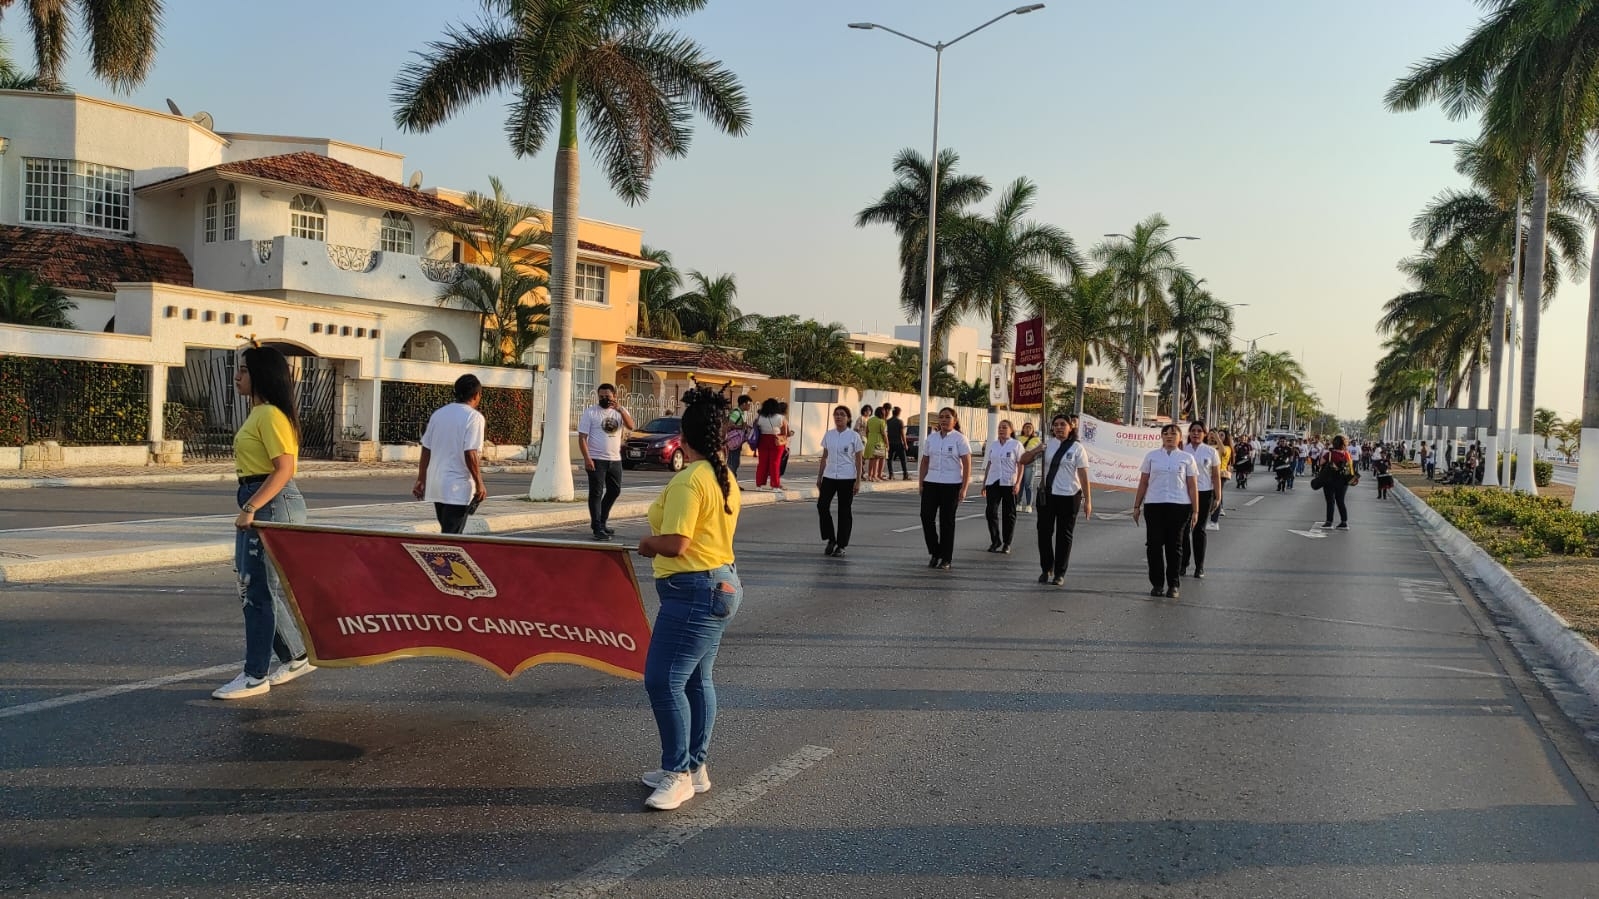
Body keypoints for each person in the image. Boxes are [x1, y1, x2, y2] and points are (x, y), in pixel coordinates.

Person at [637, 387, 743, 811]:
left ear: (684, 435)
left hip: (694, 592)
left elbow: (677, 543)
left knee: (663, 681)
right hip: (719, 585)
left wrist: (647, 543)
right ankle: (694, 768)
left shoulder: (688, 479)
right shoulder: (723, 475)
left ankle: (677, 773)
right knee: (698, 681)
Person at [213, 344, 312, 700]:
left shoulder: (269, 414)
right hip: (262, 500)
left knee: (255, 591)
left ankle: (255, 675)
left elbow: (284, 469)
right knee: (253, 587)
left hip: (271, 503)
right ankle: (297, 655)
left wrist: (252, 506)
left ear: (261, 375)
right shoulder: (260, 414)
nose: (237, 376)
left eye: (243, 370)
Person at [1020, 413, 1092, 586]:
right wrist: (1037, 450)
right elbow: (1023, 460)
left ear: (1070, 427)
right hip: (1047, 496)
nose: (1059, 427)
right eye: (1056, 425)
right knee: (1044, 533)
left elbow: (1083, 475)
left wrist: (1088, 500)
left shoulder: (1076, 448)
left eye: (1063, 424)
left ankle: (1060, 572)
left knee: (1064, 535)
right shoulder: (1046, 445)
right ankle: (1046, 568)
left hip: (1069, 496)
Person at [412, 374, 488, 535]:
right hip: (457, 487)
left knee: (448, 532)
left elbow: (426, 448)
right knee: (451, 537)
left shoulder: (439, 414)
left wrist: (421, 479)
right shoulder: (474, 417)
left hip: (436, 485)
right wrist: (479, 483)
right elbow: (470, 452)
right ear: (476, 395)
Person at [1132, 424, 1199, 599]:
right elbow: (1144, 482)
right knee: (1154, 545)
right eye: (1166, 434)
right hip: (1155, 504)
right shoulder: (1152, 457)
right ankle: (1157, 583)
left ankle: (1173, 584)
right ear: (1161, 437)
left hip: (1179, 506)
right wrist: (1136, 506)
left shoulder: (1187, 458)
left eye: (1173, 433)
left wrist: (1196, 510)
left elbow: (1192, 486)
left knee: (1174, 546)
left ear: (1179, 437)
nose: (1169, 436)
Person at [577, 384, 635, 541]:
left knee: (614, 491)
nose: (604, 399)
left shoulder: (620, 412)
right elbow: (582, 437)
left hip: (615, 459)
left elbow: (631, 426)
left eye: (607, 396)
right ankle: (597, 527)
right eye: (601, 396)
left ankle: (602, 521)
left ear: (614, 396)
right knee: (596, 493)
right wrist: (587, 458)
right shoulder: (591, 413)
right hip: (596, 459)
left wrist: (620, 410)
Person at [918, 407, 971, 571]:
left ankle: (946, 558)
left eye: (947, 417)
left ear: (954, 420)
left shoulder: (959, 439)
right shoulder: (931, 439)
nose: (943, 420)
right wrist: (921, 483)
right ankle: (935, 551)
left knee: (947, 522)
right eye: (941, 417)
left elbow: (967, 464)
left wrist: (964, 488)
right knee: (926, 517)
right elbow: (925, 462)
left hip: (952, 484)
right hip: (932, 482)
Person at [816, 405, 864, 557]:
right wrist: (819, 476)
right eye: (836, 415)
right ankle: (831, 538)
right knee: (822, 505)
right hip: (830, 476)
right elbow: (824, 457)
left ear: (848, 418)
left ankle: (841, 545)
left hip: (847, 477)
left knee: (844, 510)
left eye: (842, 415)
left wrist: (858, 481)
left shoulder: (853, 436)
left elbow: (858, 459)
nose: (838, 417)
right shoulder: (829, 435)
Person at [1181, 422, 1222, 579]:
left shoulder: (1211, 452)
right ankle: (1183, 564)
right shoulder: (1183, 450)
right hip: (1184, 494)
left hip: (1204, 494)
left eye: (1199, 431)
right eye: (1193, 431)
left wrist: (1218, 497)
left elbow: (1216, 476)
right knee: (1183, 531)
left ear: (1205, 434)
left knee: (1199, 530)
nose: (1196, 433)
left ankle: (1199, 566)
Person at [980, 420, 1023, 554]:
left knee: (1008, 514)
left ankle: (1006, 542)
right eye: (999, 427)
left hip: (1009, 482)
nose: (1001, 430)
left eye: (1004, 427)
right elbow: (989, 464)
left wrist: (1018, 483)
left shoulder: (1016, 445)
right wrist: (984, 483)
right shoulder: (993, 445)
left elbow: (1021, 464)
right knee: (990, 512)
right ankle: (995, 540)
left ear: (1011, 430)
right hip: (993, 481)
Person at [1318, 434, 1357, 529]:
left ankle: (1329, 521)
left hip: (1330, 480)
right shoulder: (1347, 454)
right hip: (1343, 481)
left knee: (1330, 501)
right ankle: (1344, 522)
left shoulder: (1330, 454)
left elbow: (1321, 462)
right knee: (1341, 501)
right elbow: (1350, 467)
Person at [754, 398, 787, 489]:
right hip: (776, 441)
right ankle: (775, 485)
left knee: (762, 463)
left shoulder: (759, 417)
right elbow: (785, 433)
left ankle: (759, 485)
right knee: (775, 464)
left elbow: (755, 428)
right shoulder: (781, 418)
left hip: (763, 441)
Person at [724, 394, 755, 479]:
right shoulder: (736, 413)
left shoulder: (740, 413)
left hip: (737, 441)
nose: (749, 406)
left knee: (735, 461)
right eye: (748, 404)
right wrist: (742, 427)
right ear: (743, 404)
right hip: (734, 441)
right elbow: (730, 425)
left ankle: (732, 481)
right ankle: (730, 482)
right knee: (733, 462)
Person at [1016, 420, 1042, 512]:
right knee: (1019, 484)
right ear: (1023, 429)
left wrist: (1033, 457)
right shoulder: (1018, 438)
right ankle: (1018, 503)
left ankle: (1028, 505)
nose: (1027, 429)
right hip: (1019, 464)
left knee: (1028, 485)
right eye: (1026, 427)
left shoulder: (1036, 440)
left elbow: (1040, 452)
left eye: (1029, 428)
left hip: (1030, 465)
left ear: (1033, 430)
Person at [865, 405, 889, 481]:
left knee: (871, 459)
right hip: (879, 441)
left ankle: (870, 475)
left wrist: (869, 438)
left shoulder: (870, 420)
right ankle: (875, 476)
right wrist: (887, 443)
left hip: (870, 440)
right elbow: (884, 434)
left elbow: (867, 431)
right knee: (877, 459)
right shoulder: (881, 421)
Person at [887, 406, 909, 480]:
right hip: (898, 443)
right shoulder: (900, 422)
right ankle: (905, 475)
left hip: (890, 442)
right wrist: (905, 444)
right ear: (898, 413)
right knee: (903, 459)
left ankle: (891, 474)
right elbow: (902, 434)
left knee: (889, 459)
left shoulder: (888, 421)